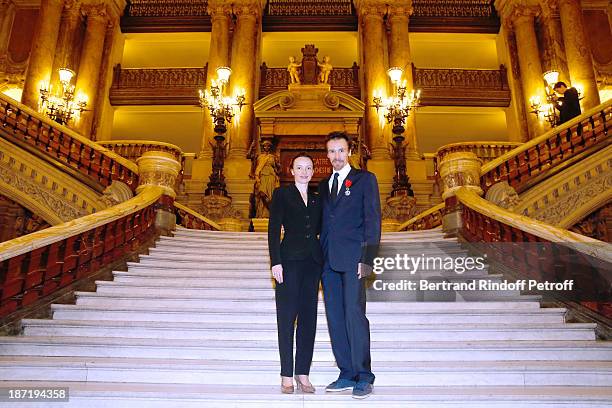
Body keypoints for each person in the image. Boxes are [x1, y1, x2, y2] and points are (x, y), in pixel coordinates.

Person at [318, 131, 381, 399]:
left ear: (349, 151)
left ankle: (364, 376)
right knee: (335, 317)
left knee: (354, 315)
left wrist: (368, 259)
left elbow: (373, 221)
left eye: (340, 151)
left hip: (354, 259)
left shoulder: (365, 180)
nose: (336, 157)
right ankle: (346, 373)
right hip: (328, 261)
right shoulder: (323, 184)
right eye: (331, 152)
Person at [268, 152, 323, 394]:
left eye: (308, 168)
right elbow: (272, 230)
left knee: (308, 321)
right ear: (291, 171)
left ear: (313, 171)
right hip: (288, 262)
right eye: (299, 167)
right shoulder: (282, 194)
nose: (304, 171)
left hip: (312, 264)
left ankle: (303, 373)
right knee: (287, 319)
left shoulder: (317, 198)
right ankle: (286, 375)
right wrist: (275, 262)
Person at [252, 140, 281, 218]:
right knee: (262, 193)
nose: (266, 147)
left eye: (268, 146)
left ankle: (270, 213)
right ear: (263, 147)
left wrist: (278, 164)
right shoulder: (260, 157)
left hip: (271, 177)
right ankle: (262, 213)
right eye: (265, 146)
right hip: (262, 176)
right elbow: (255, 167)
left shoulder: (273, 157)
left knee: (271, 195)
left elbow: (278, 169)